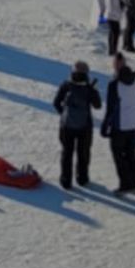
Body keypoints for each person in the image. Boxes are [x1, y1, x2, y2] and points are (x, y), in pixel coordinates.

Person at [52, 61, 102, 190]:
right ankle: (82, 178)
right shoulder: (88, 88)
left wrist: (64, 114)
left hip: (66, 126)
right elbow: (98, 105)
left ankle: (65, 180)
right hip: (85, 126)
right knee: (83, 153)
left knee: (67, 153)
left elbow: (56, 103)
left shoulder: (66, 85)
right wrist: (93, 91)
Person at [101, 55, 135, 194]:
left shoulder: (114, 85)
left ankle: (125, 184)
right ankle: (132, 184)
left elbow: (110, 109)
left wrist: (104, 126)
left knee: (118, 155)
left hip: (121, 125)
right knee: (131, 153)